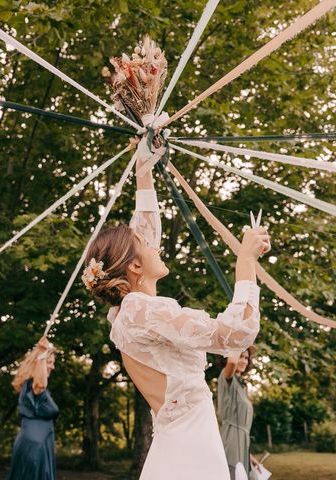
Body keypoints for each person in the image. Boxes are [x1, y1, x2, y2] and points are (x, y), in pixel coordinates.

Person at [82, 154, 270, 479]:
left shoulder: (125, 314)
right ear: (135, 267)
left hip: (182, 436)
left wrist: (143, 166)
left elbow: (144, 230)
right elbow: (236, 335)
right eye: (146, 246)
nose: (155, 246)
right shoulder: (142, 310)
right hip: (191, 444)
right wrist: (245, 261)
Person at [7, 336, 59, 480]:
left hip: (38, 444)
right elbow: (41, 384)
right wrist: (42, 355)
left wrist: (43, 357)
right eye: (50, 362)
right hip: (34, 447)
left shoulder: (30, 386)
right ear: (37, 363)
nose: (52, 367)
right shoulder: (33, 385)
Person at [218, 346, 263, 480]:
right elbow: (231, 362)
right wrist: (240, 339)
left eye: (246, 358)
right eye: (241, 356)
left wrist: (250, 457)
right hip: (230, 443)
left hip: (243, 447)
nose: (243, 361)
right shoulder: (226, 378)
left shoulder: (242, 387)